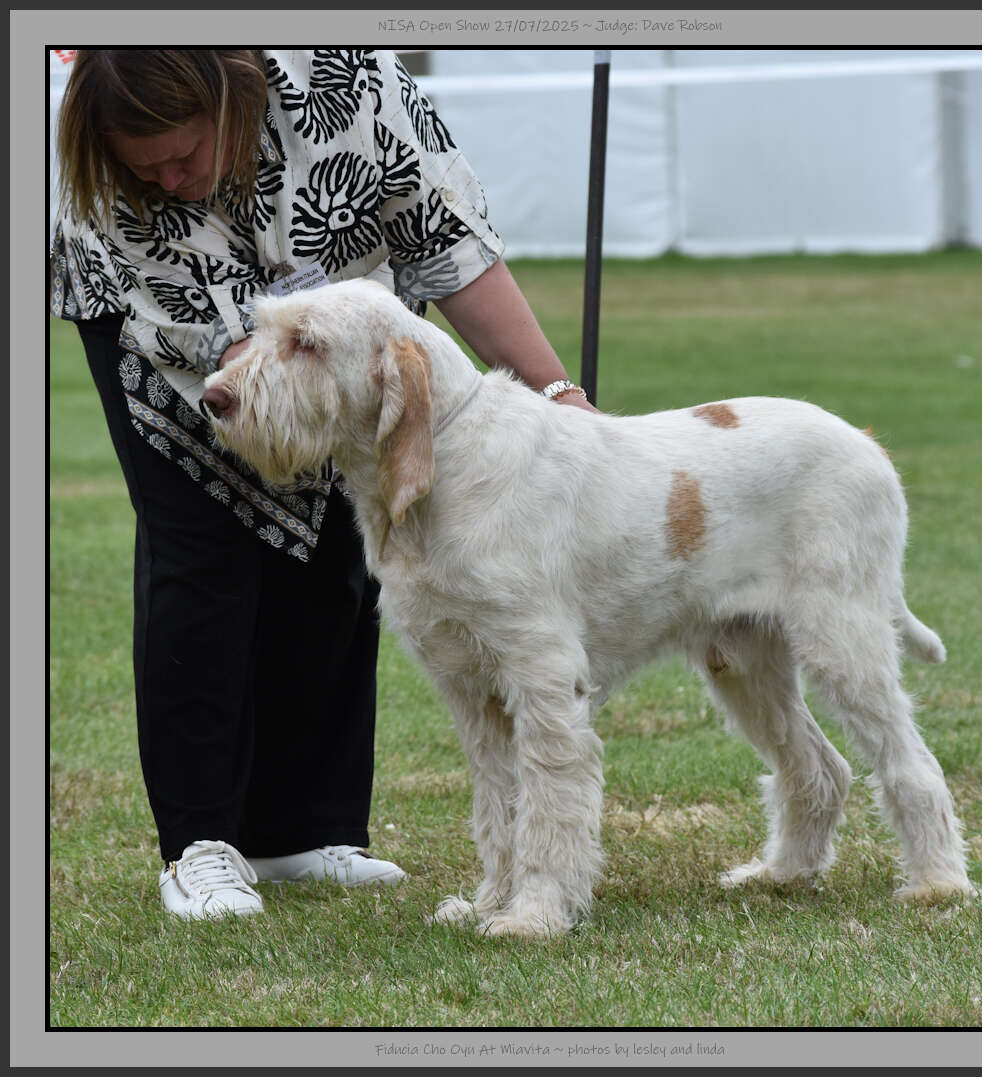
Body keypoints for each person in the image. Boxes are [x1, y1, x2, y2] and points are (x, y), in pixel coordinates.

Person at [51, 49, 595, 921]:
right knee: (203, 548)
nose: (171, 180)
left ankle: (304, 830)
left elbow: (449, 245)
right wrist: (288, 377)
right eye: (147, 169)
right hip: (176, 334)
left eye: (183, 155)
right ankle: (200, 843)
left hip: (337, 321)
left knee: (343, 547)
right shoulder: (109, 185)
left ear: (232, 96)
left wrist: (560, 393)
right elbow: (230, 361)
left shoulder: (351, 81)